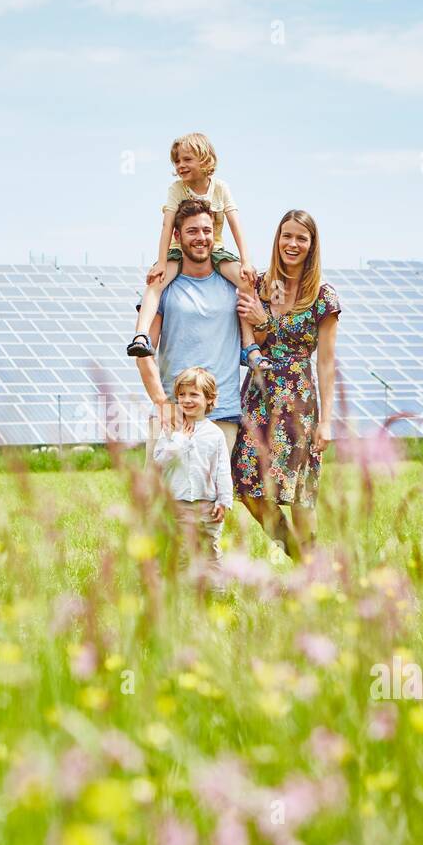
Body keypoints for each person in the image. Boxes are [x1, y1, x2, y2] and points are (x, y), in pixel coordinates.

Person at [232, 209, 340, 562]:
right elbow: (255, 337)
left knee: (298, 495)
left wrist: (326, 421)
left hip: (298, 400)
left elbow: (325, 362)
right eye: (287, 236)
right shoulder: (264, 286)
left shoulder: (322, 296)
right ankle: (301, 559)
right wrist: (263, 324)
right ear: (277, 239)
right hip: (259, 397)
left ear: (312, 245)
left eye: (301, 238)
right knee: (248, 486)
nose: (292, 244)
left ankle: (312, 574)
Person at [125, 132, 269, 375]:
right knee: (155, 283)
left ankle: (249, 347)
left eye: (187, 160)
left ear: (204, 160)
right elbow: (167, 225)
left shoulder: (221, 189)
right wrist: (161, 262)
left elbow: (235, 223)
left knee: (246, 281)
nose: (181, 166)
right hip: (177, 251)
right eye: (177, 161)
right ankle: (141, 337)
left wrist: (246, 261)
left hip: (216, 249)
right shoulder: (177, 189)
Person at [133, 198, 242, 467]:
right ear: (177, 235)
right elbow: (144, 351)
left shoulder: (233, 286)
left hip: (221, 413)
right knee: (159, 500)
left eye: (206, 230)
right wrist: (162, 403)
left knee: (211, 498)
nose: (201, 238)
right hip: (172, 410)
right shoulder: (163, 285)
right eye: (192, 231)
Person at [153, 367, 232, 580]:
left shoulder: (215, 434)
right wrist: (180, 441)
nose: (187, 400)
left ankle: (216, 593)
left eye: (193, 394)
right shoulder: (170, 430)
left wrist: (224, 500)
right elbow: (159, 462)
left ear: (209, 399)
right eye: (182, 395)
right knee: (181, 552)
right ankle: (180, 594)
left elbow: (223, 469)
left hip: (208, 506)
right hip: (178, 505)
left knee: (210, 552)